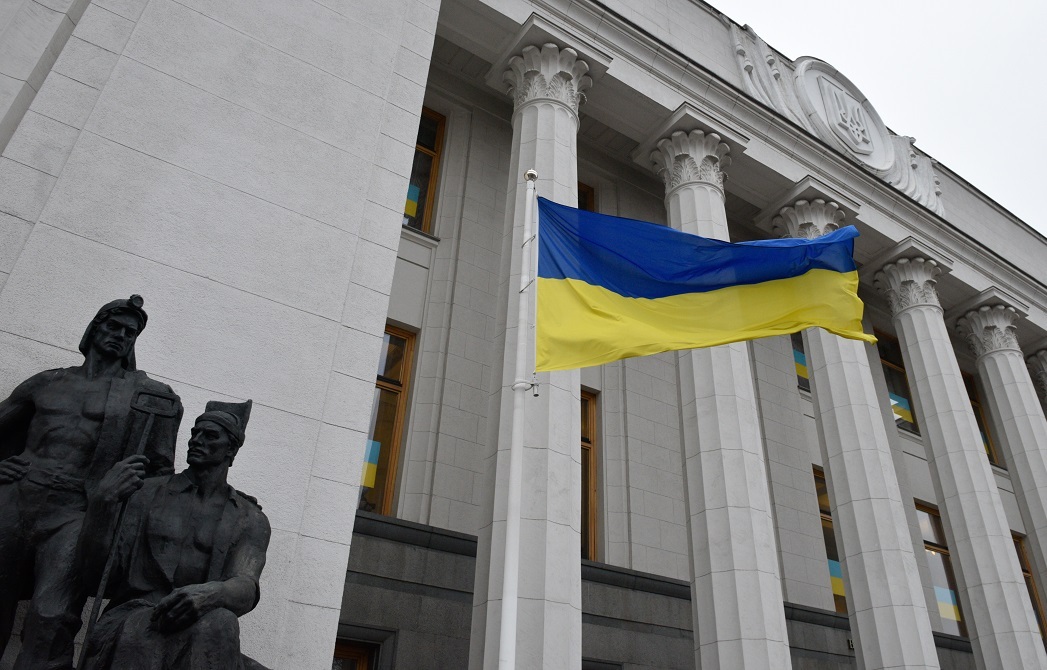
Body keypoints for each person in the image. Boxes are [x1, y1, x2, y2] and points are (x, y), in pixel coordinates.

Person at [0, 295, 182, 670]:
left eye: (130, 333)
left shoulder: (148, 397)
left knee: (52, 614)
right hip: (16, 498)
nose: (121, 336)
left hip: (75, 511)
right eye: (113, 326)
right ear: (94, 329)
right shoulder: (47, 382)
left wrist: (123, 494)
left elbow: (160, 472)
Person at [79, 399, 271, 670]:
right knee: (144, 633)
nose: (196, 440)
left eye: (210, 435)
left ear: (231, 449)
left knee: (221, 621)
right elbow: (98, 577)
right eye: (195, 433)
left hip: (202, 622)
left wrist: (210, 595)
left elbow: (246, 586)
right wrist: (102, 506)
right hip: (136, 614)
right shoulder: (144, 493)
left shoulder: (250, 518)